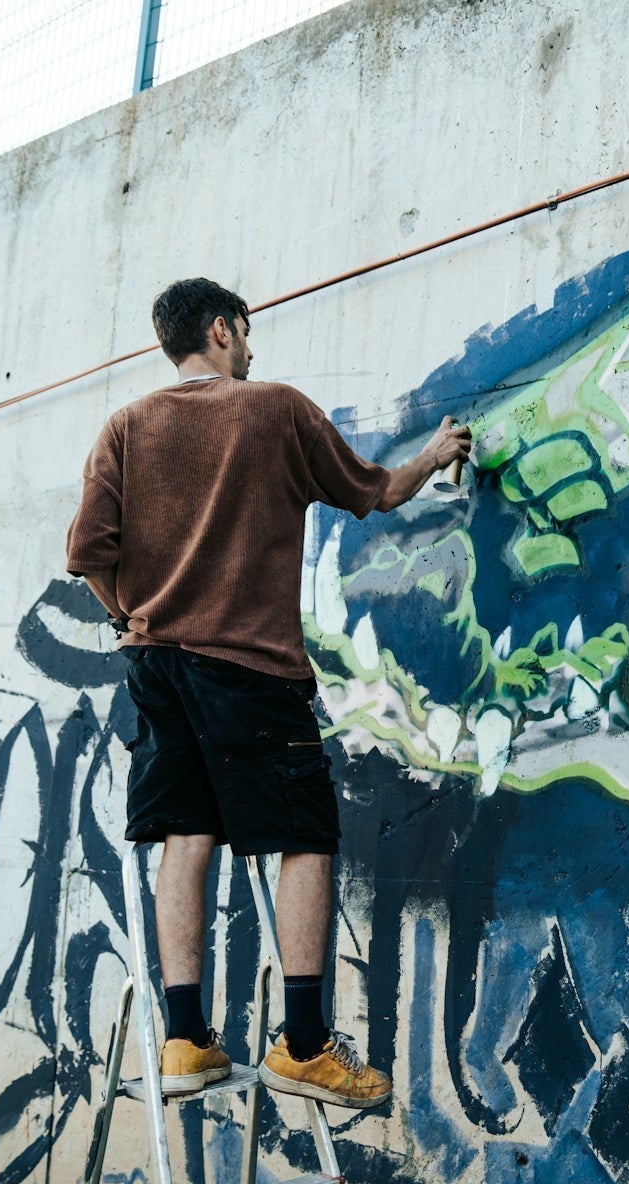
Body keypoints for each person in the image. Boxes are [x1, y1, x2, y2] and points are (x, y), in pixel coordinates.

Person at [64, 278, 470, 1105]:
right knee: (306, 837)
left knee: (187, 834)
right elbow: (376, 492)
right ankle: (307, 1045)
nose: (252, 350)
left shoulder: (125, 428)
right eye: (245, 334)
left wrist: (129, 614)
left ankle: (183, 1042)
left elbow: (88, 553)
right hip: (250, 667)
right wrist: (436, 453)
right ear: (220, 329)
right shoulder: (275, 409)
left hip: (157, 665)